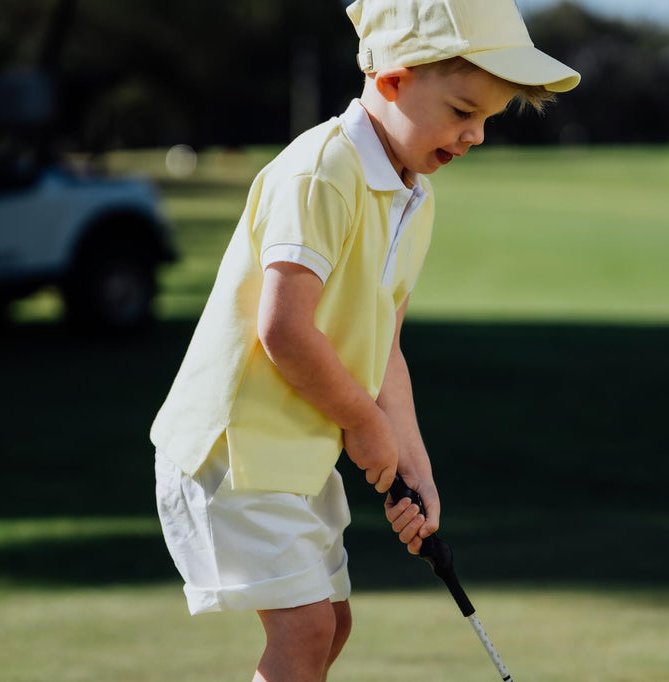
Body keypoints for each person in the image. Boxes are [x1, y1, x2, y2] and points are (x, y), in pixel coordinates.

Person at [150, 1, 579, 680]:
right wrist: (361, 422)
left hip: (293, 450)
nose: (476, 136)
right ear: (392, 81)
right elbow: (283, 329)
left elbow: (385, 345)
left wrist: (413, 464)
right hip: (232, 449)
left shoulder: (415, 198)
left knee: (331, 625)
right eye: (463, 111)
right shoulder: (323, 172)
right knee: (308, 626)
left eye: (487, 120)